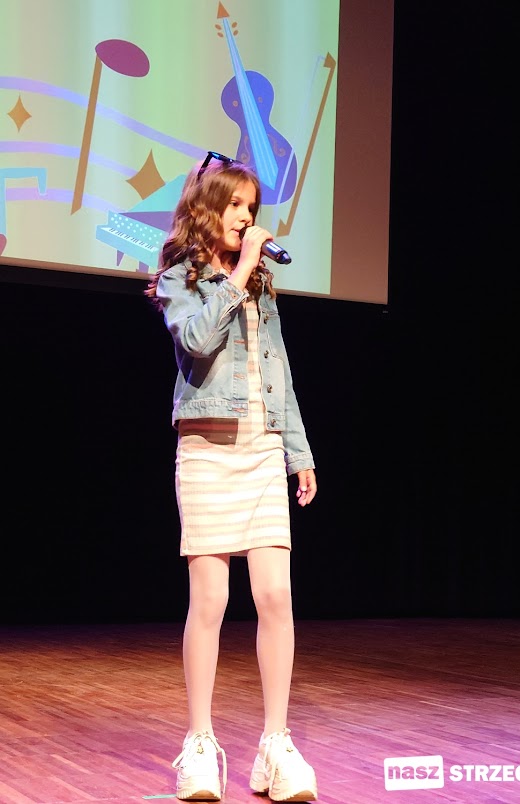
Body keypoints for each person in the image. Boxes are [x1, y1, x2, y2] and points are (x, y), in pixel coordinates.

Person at [145, 151, 318, 803]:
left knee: (275, 596)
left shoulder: (261, 287)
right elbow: (195, 341)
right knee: (211, 601)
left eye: (252, 207)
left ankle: (276, 746)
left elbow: (280, 370)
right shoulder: (180, 277)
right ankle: (198, 744)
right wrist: (238, 272)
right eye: (236, 206)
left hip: (261, 448)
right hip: (207, 450)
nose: (247, 218)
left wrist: (298, 451)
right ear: (207, 209)